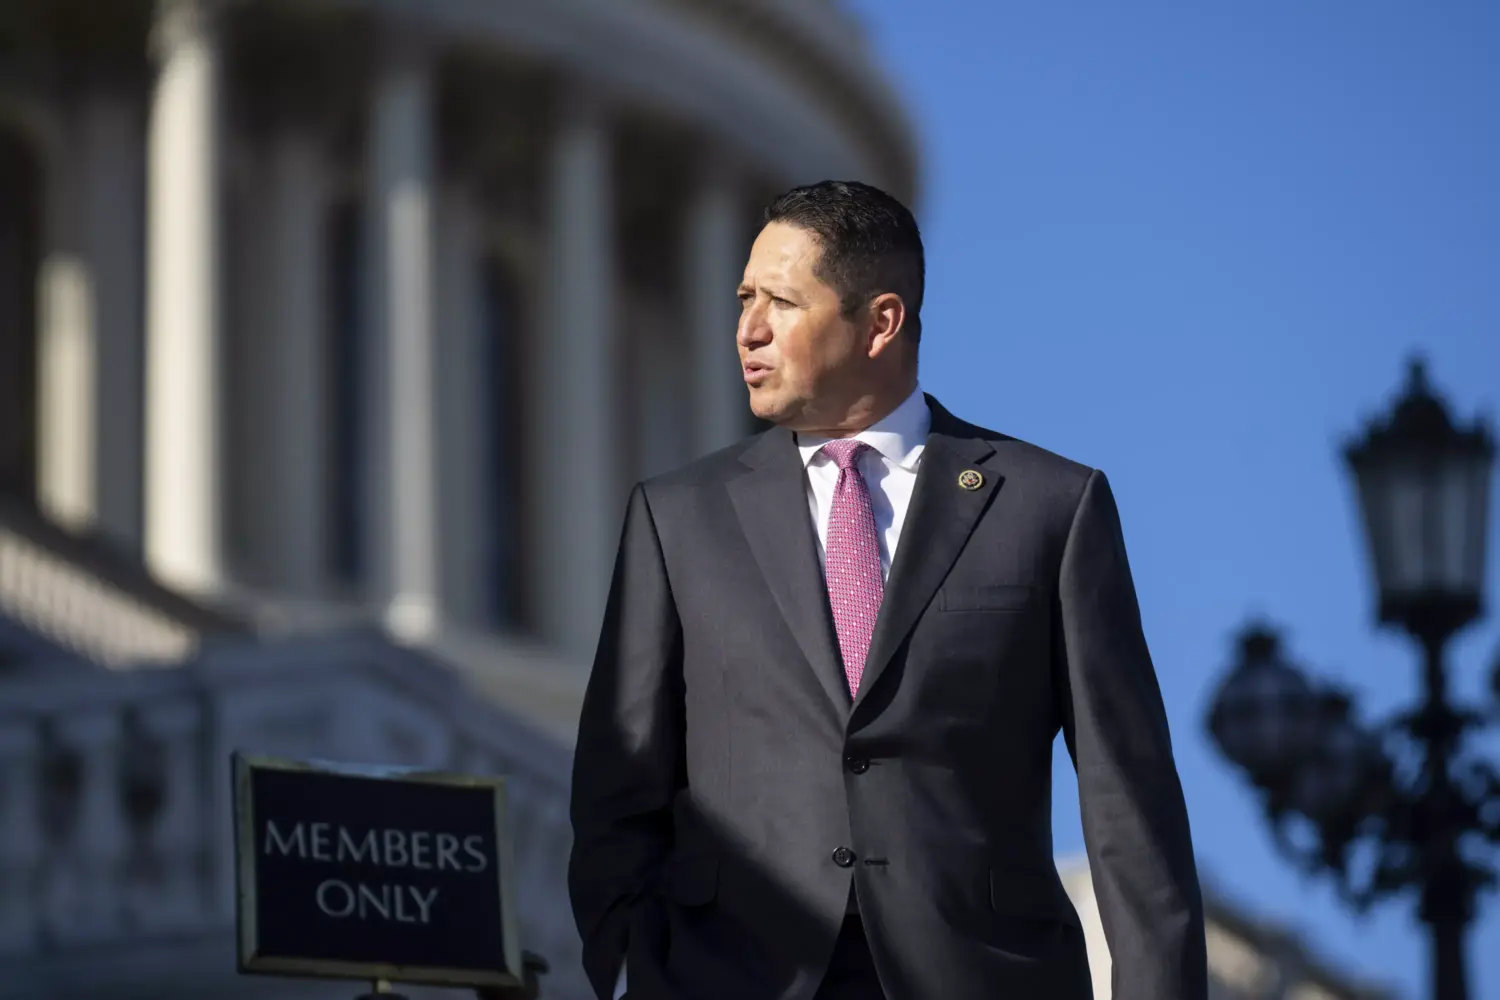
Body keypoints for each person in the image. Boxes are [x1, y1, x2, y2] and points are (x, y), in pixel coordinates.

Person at [568, 180, 1206, 1000]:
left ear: (882, 322)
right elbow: (618, 785)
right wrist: (626, 970)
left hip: (981, 974)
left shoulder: (1051, 508)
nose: (747, 330)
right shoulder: (677, 517)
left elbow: (1131, 803)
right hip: (732, 975)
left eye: (782, 303)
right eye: (744, 298)